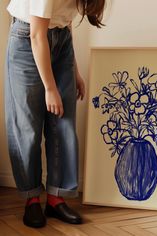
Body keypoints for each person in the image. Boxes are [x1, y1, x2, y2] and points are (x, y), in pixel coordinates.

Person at [5, 0, 105, 228]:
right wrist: (50, 89)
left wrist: (74, 69)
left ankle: (55, 198)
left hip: (61, 41)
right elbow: (37, 35)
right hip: (27, 40)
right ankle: (31, 199)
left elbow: (64, 22)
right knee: (27, 127)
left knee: (63, 124)